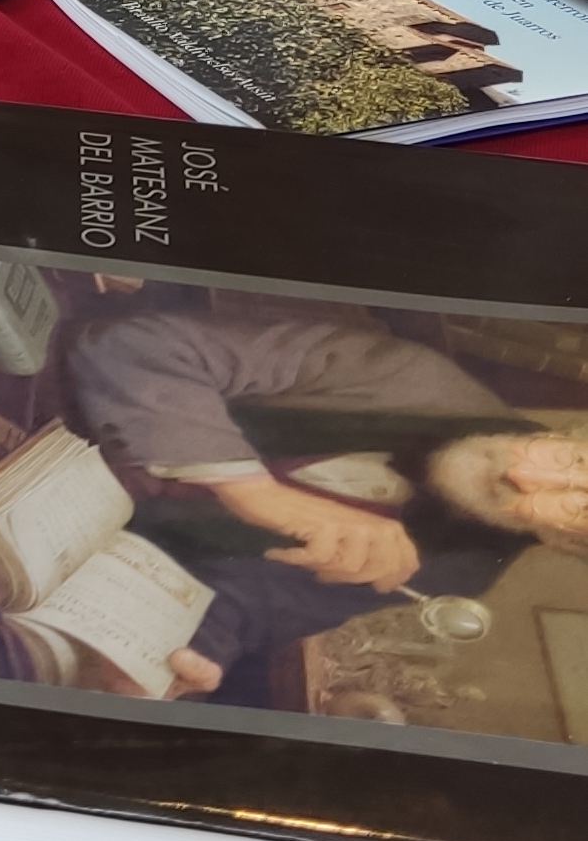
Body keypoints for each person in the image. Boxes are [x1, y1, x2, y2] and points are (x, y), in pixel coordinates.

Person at [67, 297, 588, 699]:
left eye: (578, 506)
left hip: (71, 558)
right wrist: (250, 489)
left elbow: (254, 607)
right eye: (577, 462)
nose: (524, 474)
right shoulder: (410, 376)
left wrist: (183, 654)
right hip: (52, 424)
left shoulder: (461, 572)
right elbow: (131, 345)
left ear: (563, 541)